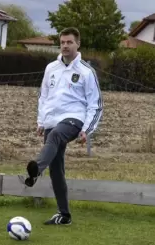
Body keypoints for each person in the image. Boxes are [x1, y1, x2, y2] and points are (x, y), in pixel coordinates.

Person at [24, 27, 103, 225]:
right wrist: (41, 121)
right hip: (52, 120)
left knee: (56, 136)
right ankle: (64, 215)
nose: (65, 46)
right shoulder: (51, 68)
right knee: (57, 168)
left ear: (78, 44)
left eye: (69, 42)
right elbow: (44, 96)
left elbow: (95, 104)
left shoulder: (86, 71)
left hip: (74, 119)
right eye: (62, 42)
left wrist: (87, 129)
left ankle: (35, 171)